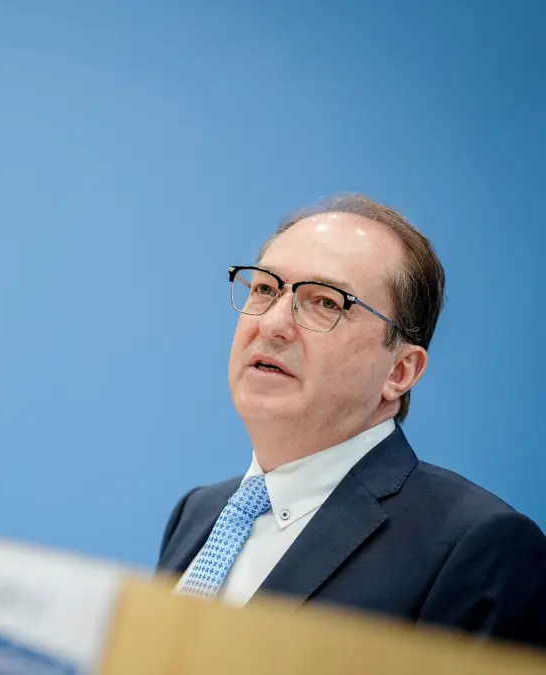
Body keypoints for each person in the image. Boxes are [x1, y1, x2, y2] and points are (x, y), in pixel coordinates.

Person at [157, 194, 546, 647]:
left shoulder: (478, 548)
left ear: (400, 371)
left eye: (324, 302)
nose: (273, 324)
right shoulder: (198, 513)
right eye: (264, 289)